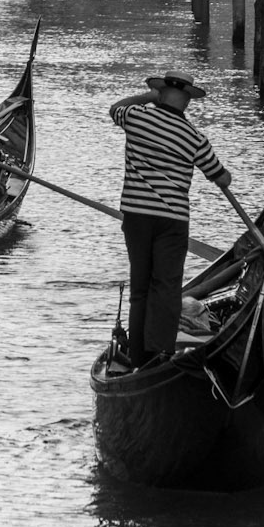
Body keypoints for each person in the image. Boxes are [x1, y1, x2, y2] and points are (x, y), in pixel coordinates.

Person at [108, 73, 233, 369]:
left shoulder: (137, 117)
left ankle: (138, 357)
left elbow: (115, 108)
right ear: (187, 101)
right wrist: (221, 176)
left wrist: (146, 98)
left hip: (137, 216)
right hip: (172, 220)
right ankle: (159, 355)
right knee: (164, 289)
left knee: (141, 288)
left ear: (161, 94)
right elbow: (222, 176)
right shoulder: (194, 138)